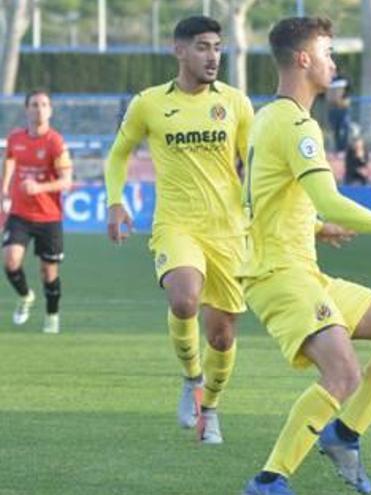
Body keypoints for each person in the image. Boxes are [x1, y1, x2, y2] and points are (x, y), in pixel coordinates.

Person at [240, 17, 371, 495]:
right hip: (278, 275)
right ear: (303, 60)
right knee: (343, 372)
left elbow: (258, 200)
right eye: (327, 52)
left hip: (302, 270)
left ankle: (344, 435)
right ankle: (268, 481)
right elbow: (332, 199)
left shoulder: (268, 118)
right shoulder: (297, 125)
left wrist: (316, 228)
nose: (333, 63)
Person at [104, 16, 254, 445]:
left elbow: (257, 166)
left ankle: (212, 407)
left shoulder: (237, 104)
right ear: (180, 50)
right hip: (176, 224)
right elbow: (118, 155)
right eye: (203, 47)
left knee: (222, 334)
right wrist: (116, 202)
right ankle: (192, 379)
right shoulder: (149, 103)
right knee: (184, 298)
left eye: (217, 48)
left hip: (228, 230)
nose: (213, 57)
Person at [0, 90, 72, 334]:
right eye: (34, 104)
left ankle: (52, 315)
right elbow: (9, 159)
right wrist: (4, 189)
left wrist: (39, 187)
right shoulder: (15, 138)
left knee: (48, 272)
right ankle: (25, 296)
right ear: (26, 109)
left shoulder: (55, 142)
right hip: (20, 213)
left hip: (48, 217)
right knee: (10, 262)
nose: (39, 109)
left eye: (44, 105)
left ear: (50, 111)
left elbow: (67, 181)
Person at [328, 72, 352, 151]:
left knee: (345, 129)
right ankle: (338, 148)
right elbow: (329, 98)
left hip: (343, 110)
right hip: (334, 110)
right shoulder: (330, 81)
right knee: (336, 130)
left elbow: (347, 100)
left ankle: (344, 147)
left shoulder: (344, 82)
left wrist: (342, 101)